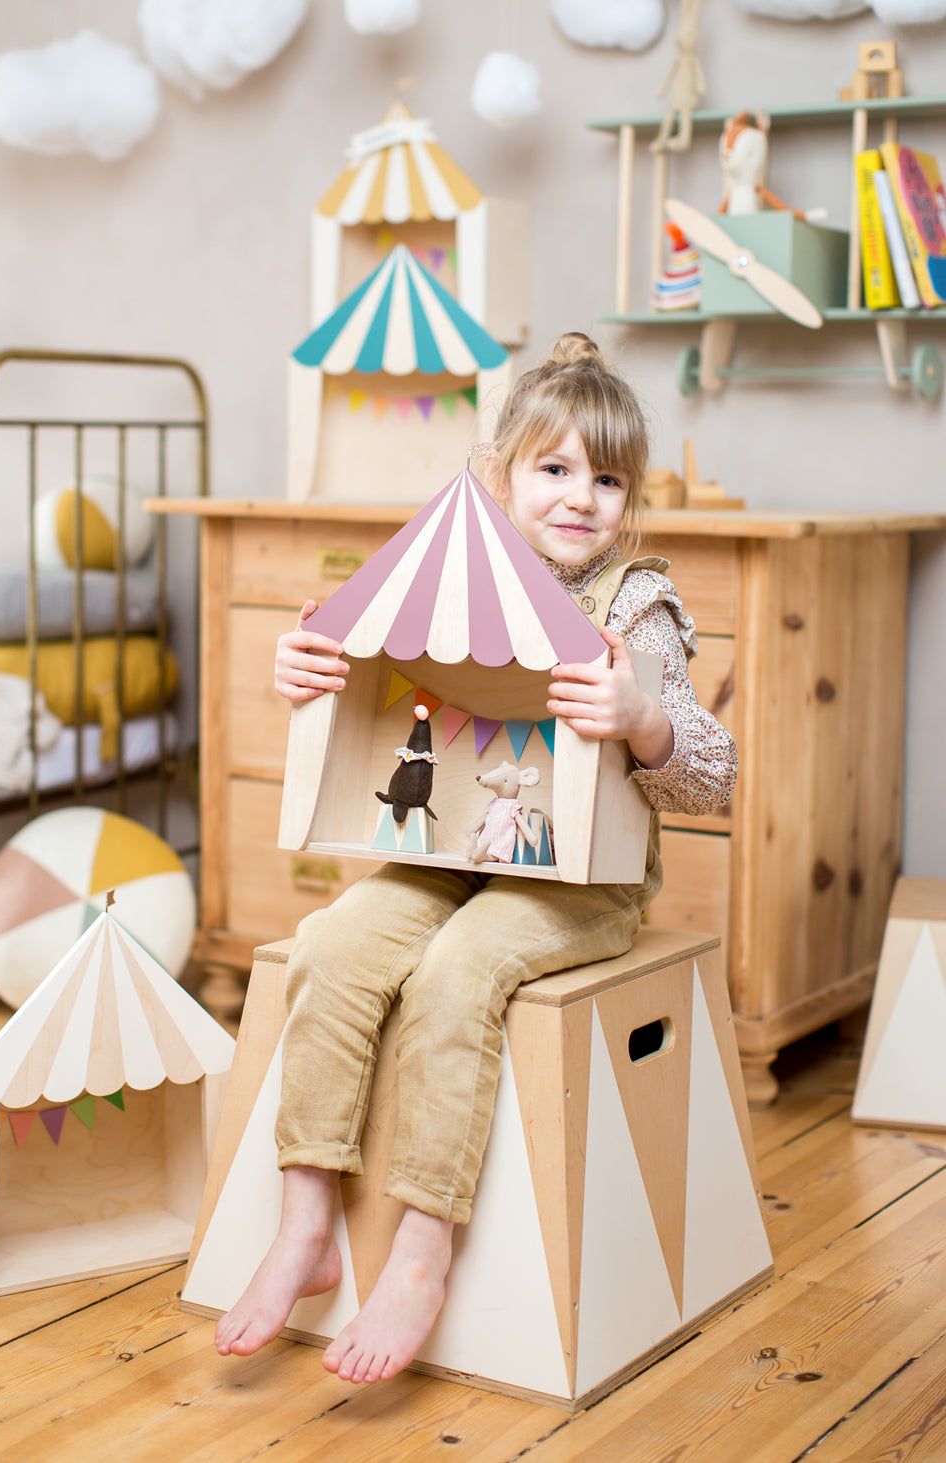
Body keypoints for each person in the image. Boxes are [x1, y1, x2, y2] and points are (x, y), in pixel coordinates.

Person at [214, 332, 737, 1386]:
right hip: (447, 859)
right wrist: (302, 664)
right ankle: (308, 1212)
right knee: (333, 943)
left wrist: (643, 718)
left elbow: (713, 775)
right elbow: (354, 668)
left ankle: (422, 1245)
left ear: (628, 500)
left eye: (607, 477)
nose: (580, 496)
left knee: (459, 971)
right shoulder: (450, 568)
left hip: (582, 886)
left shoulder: (637, 605)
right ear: (502, 476)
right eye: (553, 468)